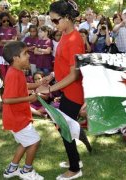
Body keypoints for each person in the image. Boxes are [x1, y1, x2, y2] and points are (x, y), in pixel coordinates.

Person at [37, 1, 91, 179]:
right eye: (51, 21)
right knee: (64, 127)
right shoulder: (65, 35)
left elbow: (74, 75)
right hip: (65, 89)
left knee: (64, 128)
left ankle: (75, 168)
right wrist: (52, 75)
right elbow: (64, 63)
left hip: (73, 92)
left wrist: (50, 88)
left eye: (55, 20)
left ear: (68, 18)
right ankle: (75, 159)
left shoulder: (75, 40)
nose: (53, 24)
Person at [2, 41, 43, 179]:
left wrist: (38, 84)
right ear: (15, 58)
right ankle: (27, 171)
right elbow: (6, 100)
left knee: (25, 142)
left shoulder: (17, 71)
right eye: (25, 53)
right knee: (34, 141)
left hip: (19, 116)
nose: (28, 56)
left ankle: (12, 169)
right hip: (16, 118)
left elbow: (23, 85)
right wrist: (29, 99)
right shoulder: (13, 74)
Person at [0, 12, 17, 80]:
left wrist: (4, 41)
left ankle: (10, 86)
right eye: (4, 21)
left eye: (7, 20)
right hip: (1, 54)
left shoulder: (13, 29)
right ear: (0, 21)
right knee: (3, 72)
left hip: (10, 54)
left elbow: (14, 42)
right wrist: (9, 41)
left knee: (10, 71)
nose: (6, 22)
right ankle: (5, 87)